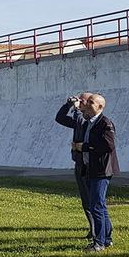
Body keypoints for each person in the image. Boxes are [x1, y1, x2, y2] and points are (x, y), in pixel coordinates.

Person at [73, 94, 119, 252]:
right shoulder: (89, 123)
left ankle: (99, 242)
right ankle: (106, 238)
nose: (87, 104)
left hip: (102, 169)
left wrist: (84, 146)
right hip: (91, 168)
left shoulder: (105, 123)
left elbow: (108, 145)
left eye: (91, 102)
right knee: (99, 205)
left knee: (96, 206)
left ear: (100, 107)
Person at [54, 92, 95, 242]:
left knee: (92, 198)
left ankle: (97, 230)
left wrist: (77, 109)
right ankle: (93, 228)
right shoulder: (80, 119)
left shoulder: (89, 120)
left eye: (82, 100)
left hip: (88, 163)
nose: (79, 101)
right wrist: (67, 105)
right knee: (85, 199)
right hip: (79, 162)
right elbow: (59, 118)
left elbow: (79, 122)